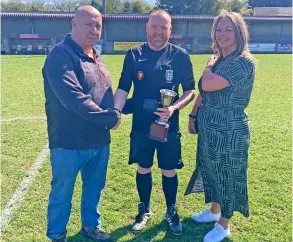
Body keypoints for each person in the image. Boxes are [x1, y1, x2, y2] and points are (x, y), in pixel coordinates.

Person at [114, 10, 195, 235]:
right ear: (147, 27)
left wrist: (173, 108)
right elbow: (123, 87)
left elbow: (189, 90)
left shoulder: (180, 55)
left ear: (170, 30)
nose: (158, 32)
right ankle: (145, 210)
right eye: (154, 27)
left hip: (168, 125)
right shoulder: (133, 54)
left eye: (164, 28)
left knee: (168, 169)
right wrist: (115, 110)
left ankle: (171, 210)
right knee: (144, 167)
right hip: (141, 124)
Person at [42, 5, 120, 242]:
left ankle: (90, 226)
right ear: (73, 24)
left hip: (99, 142)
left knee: (94, 189)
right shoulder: (59, 56)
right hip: (68, 143)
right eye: (88, 24)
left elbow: (106, 95)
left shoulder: (96, 56)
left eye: (98, 25)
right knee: (62, 194)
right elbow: (75, 100)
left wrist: (131, 105)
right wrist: (110, 118)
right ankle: (57, 235)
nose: (94, 30)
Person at [185, 10, 256, 242]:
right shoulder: (221, 60)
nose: (222, 33)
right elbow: (204, 92)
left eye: (228, 29)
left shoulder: (243, 62)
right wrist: (193, 115)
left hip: (230, 128)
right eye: (219, 29)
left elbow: (207, 82)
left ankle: (224, 224)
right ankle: (215, 212)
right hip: (210, 126)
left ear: (239, 33)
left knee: (227, 174)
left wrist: (208, 65)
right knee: (211, 169)